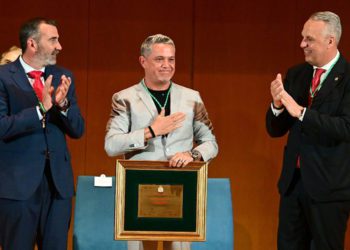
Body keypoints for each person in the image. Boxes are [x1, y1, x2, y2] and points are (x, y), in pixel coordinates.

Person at [105, 34, 218, 250]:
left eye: (171, 59)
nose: (167, 65)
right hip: (138, 188)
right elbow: (111, 145)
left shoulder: (192, 97)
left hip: (181, 186)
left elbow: (210, 142)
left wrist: (191, 155)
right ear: (143, 61)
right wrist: (150, 131)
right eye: (159, 59)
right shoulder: (124, 98)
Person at [266, 11, 350, 250]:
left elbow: (346, 127)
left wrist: (302, 112)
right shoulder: (297, 74)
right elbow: (274, 130)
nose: (302, 44)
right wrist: (277, 105)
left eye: (309, 39)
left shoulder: (348, 79)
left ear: (330, 41)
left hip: (330, 189)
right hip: (293, 185)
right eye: (303, 37)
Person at [0, 18, 84, 250]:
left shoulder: (64, 76)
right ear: (32, 44)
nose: (60, 46)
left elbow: (78, 130)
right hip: (18, 186)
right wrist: (40, 110)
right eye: (53, 40)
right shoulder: (3, 76)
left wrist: (63, 104)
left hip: (58, 186)